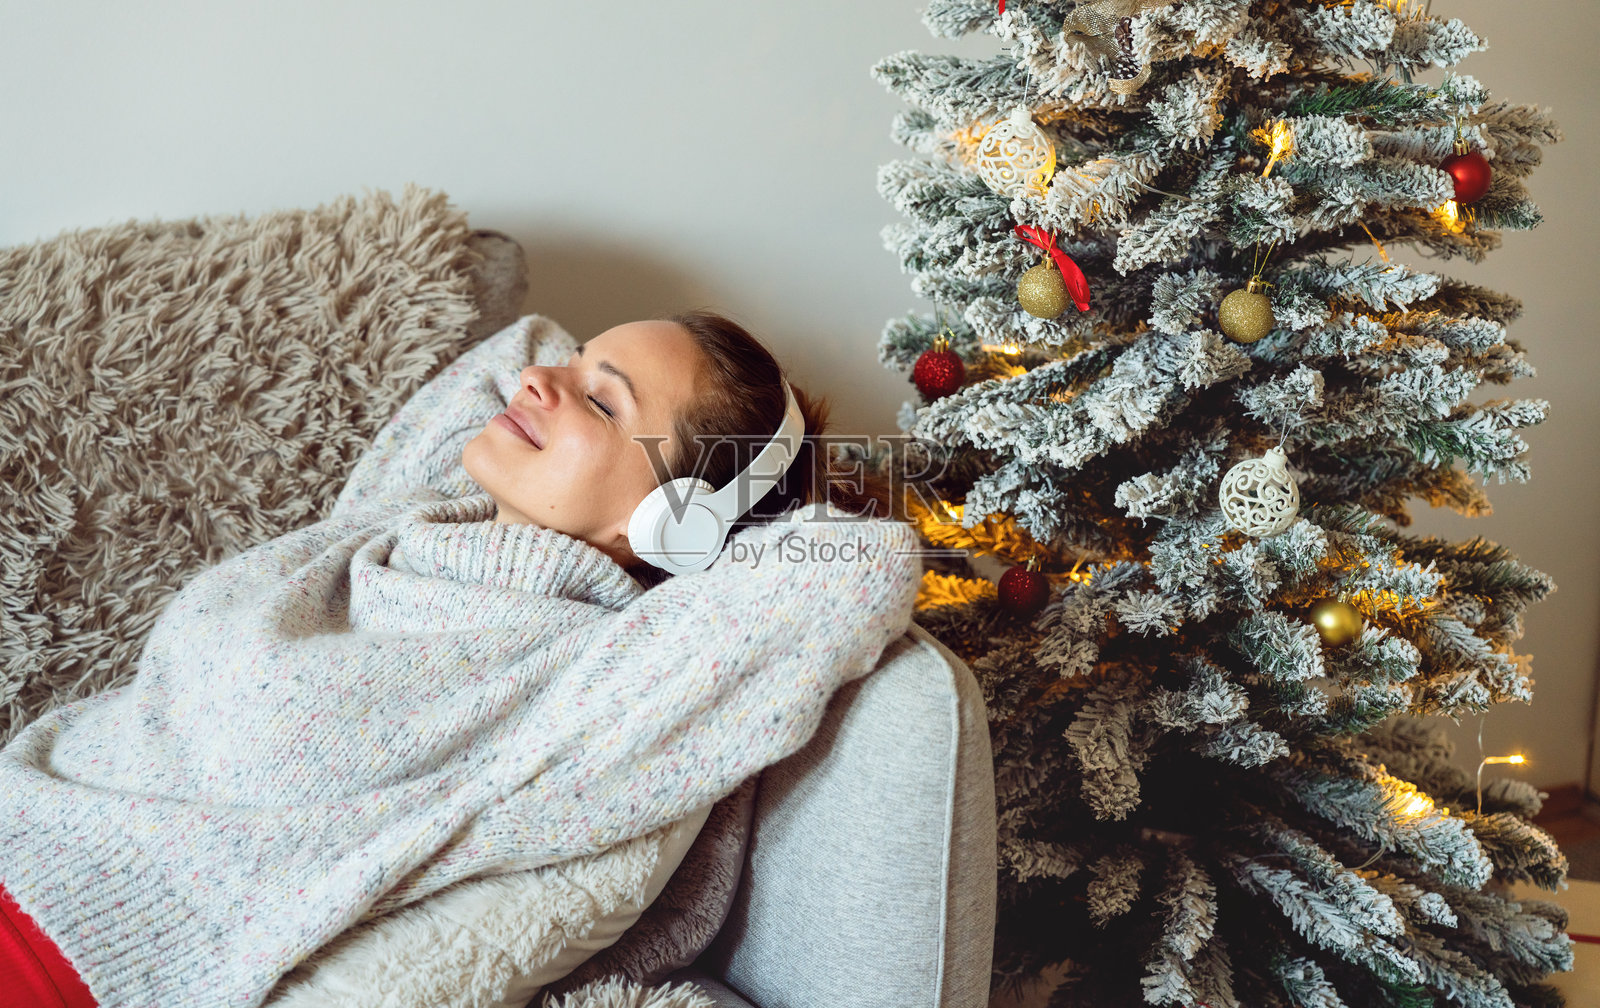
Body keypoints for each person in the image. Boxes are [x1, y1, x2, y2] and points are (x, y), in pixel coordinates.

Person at [0, 310, 919, 1008]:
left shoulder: (595, 682)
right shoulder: (402, 522)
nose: (533, 381)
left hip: (64, 956)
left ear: (676, 521)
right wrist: (579, 379)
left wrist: (745, 500)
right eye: (567, 371)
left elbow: (856, 569)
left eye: (604, 401)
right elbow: (519, 341)